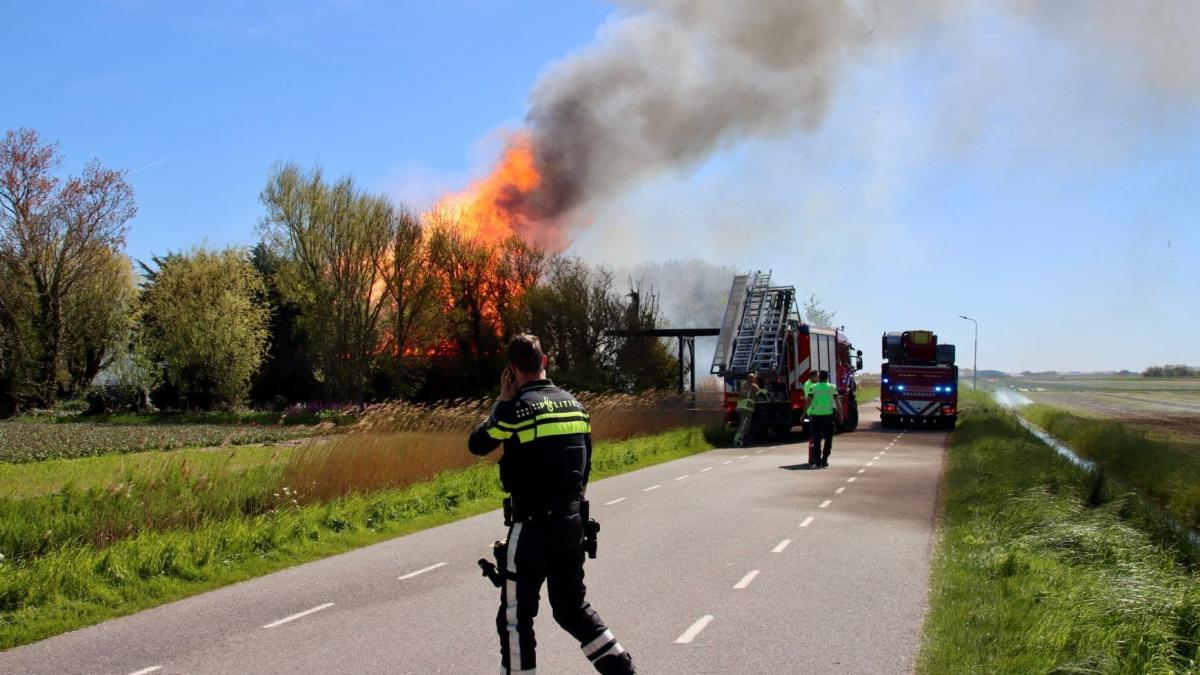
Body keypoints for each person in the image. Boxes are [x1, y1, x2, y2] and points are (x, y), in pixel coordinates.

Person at [469, 334, 636, 675]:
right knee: (571, 608)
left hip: (531, 528)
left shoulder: (516, 410)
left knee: (516, 618)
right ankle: (622, 670)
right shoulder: (578, 407)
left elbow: (478, 443)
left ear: (512, 370)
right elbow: (586, 468)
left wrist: (502, 400)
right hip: (571, 524)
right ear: (544, 361)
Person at [806, 370, 840, 468]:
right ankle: (824, 460)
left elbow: (808, 401)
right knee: (828, 439)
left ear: (819, 377)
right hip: (828, 416)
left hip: (816, 416)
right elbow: (837, 402)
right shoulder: (832, 387)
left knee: (816, 439)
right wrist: (840, 413)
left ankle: (817, 462)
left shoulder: (813, 387)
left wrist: (804, 413)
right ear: (827, 377)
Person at [733, 372, 764, 448]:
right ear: (752, 379)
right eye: (753, 378)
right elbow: (760, 392)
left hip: (740, 407)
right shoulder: (754, 386)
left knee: (744, 424)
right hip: (747, 408)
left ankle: (742, 439)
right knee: (744, 425)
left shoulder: (743, 384)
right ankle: (737, 439)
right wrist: (766, 391)